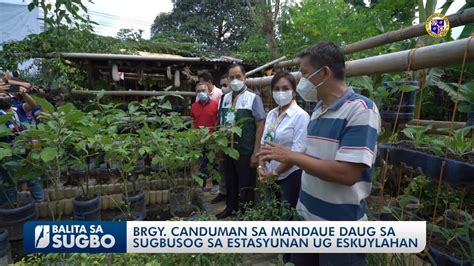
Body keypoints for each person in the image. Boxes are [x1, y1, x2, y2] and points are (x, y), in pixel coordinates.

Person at [258, 41, 381, 266]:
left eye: (304, 74)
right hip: (306, 217)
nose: (301, 81)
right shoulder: (318, 110)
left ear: (324, 72)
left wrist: (291, 156)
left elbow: (347, 173)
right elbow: (312, 153)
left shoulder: (361, 110)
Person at [217, 64, 265, 219]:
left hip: (245, 150)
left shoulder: (253, 98)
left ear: (244, 78)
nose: (235, 80)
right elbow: (220, 124)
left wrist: (256, 153)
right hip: (227, 149)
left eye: (238, 76)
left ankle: (246, 213)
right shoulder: (224, 99)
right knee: (230, 181)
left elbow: (260, 125)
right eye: (232, 77)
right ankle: (230, 207)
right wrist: (219, 146)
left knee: (246, 184)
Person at [258, 71, 309, 210]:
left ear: (294, 92)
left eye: (286, 88)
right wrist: (261, 167)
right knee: (272, 212)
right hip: (269, 174)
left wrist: (274, 173)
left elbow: (297, 152)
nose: (281, 92)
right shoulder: (271, 114)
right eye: (277, 89)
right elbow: (264, 143)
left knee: (288, 216)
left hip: (289, 176)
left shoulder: (301, 116)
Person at [0, 86, 44, 203]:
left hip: (29, 149)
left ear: (11, 97)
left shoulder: (18, 109)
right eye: (1, 96)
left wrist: (24, 94)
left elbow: (32, 104)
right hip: (9, 153)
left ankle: (40, 203)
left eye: (5, 95)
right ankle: (11, 207)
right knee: (9, 180)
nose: (3, 98)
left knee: (34, 177)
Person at [190, 83, 219, 187]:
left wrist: (217, 137)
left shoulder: (216, 104)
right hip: (199, 140)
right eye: (198, 91)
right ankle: (201, 186)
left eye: (203, 90)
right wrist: (193, 136)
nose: (201, 93)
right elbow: (193, 121)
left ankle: (215, 185)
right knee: (202, 164)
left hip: (213, 139)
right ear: (196, 93)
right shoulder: (193, 106)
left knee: (215, 163)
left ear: (208, 91)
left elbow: (218, 122)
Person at [211, 74, 231, 203]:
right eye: (222, 85)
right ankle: (223, 192)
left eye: (225, 85)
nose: (223, 88)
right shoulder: (223, 99)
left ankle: (232, 194)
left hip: (235, 139)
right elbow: (220, 119)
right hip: (223, 138)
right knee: (223, 167)